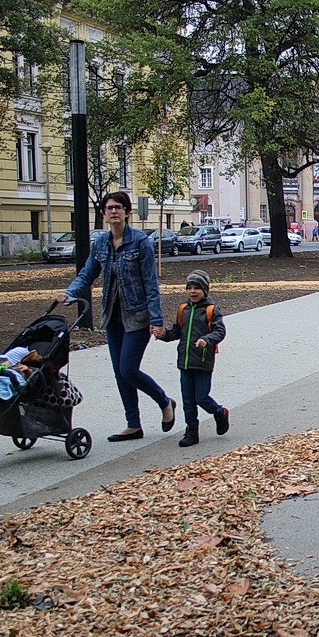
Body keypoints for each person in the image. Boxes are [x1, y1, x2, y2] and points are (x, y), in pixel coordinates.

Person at [58, 190, 175, 442]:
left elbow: (151, 283)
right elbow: (87, 274)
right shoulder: (100, 243)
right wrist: (69, 293)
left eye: (119, 207)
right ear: (103, 214)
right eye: (109, 208)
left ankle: (165, 402)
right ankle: (133, 424)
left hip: (138, 316)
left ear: (127, 212)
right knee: (119, 371)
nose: (114, 211)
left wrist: (156, 320)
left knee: (128, 369)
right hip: (113, 317)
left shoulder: (140, 242)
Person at [156, 270, 228, 447]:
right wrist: (164, 334)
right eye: (189, 288)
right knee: (188, 399)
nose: (193, 292)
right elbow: (177, 332)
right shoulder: (184, 309)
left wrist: (206, 339)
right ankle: (192, 430)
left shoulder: (211, 310)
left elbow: (220, 331)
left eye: (197, 288)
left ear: (205, 290)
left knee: (201, 397)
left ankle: (220, 412)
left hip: (203, 361)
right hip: (185, 362)